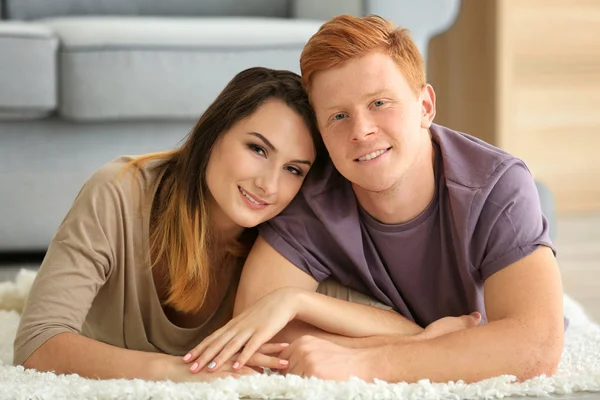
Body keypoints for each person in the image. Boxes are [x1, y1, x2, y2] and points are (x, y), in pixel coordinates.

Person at [182, 15, 565, 384]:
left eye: (380, 103)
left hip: (494, 235)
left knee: (534, 204)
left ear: (425, 107)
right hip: (413, 323)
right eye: (337, 116)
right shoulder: (310, 190)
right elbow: (259, 329)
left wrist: (366, 363)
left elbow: (537, 346)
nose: (361, 131)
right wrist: (429, 343)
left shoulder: (496, 186)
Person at [14, 67, 332, 382]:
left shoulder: (291, 236)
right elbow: (36, 344)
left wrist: (299, 301)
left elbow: (373, 312)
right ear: (213, 134)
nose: (269, 185)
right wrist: (174, 370)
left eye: (293, 169)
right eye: (257, 149)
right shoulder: (118, 192)